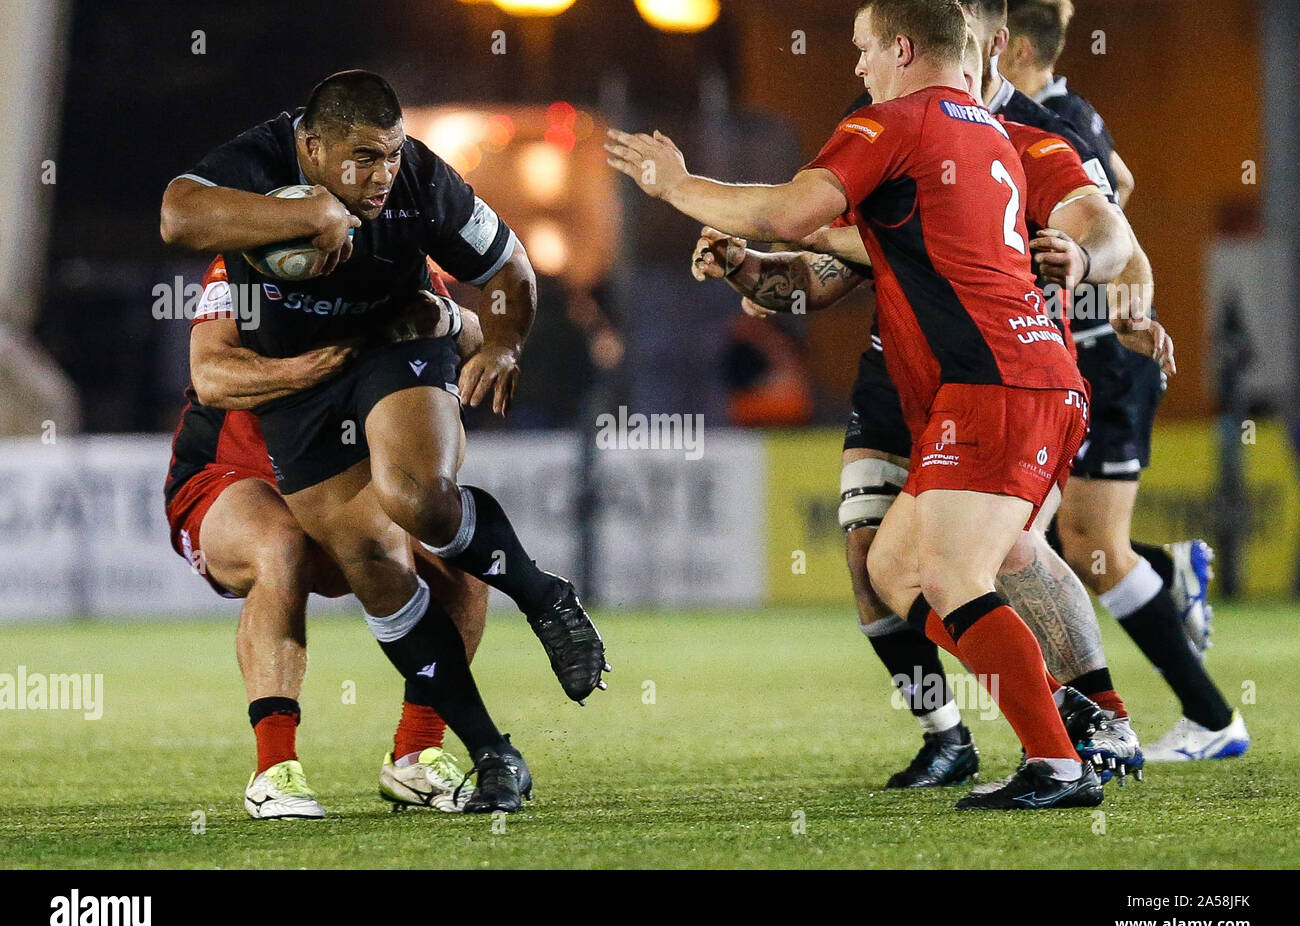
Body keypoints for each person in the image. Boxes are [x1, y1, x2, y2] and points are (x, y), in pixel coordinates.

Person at [609, 0, 1113, 809]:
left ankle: (1058, 759)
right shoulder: (987, 133)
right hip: (1016, 375)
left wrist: (675, 186)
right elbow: (846, 253)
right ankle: (1059, 709)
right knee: (894, 566)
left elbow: (786, 211)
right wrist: (755, 266)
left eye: (864, 48)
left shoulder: (898, 123)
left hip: (995, 381)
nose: (857, 66)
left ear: (904, 47)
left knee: (957, 571)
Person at [162, 70, 609, 813]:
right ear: (309, 150)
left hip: (368, 374)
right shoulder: (243, 239)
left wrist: (495, 338)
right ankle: (292, 766)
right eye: (364, 158)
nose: (383, 175)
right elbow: (209, 372)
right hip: (238, 460)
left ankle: (428, 741)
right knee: (306, 549)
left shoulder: (415, 204)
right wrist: (312, 351)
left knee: (427, 517)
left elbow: (485, 294)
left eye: (391, 155)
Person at [168, 256, 513, 818]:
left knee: (459, 557)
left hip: (340, 478)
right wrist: (324, 365)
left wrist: (444, 317)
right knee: (282, 545)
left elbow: (471, 334)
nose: (375, 184)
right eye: (364, 162)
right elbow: (212, 377)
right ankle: (274, 771)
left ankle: (417, 756)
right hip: (231, 476)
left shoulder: (400, 251)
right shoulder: (243, 263)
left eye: (384, 164)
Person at [1002, 0, 1248, 761]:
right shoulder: (1070, 113)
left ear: (1004, 45)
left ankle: (1205, 716)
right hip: (1089, 351)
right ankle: (1170, 578)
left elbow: (1113, 208)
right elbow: (1124, 183)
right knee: (1062, 543)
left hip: (1103, 356)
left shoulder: (1051, 118)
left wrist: (1100, 289)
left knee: (1081, 547)